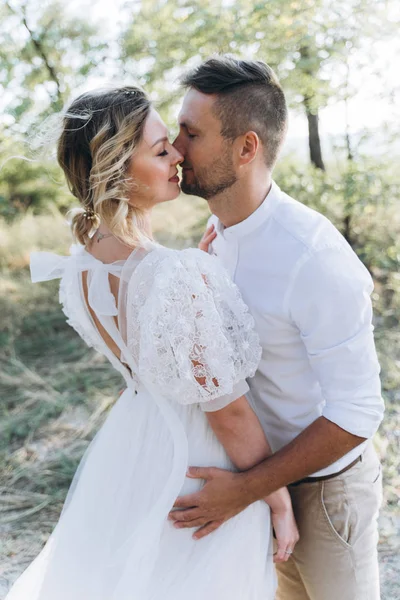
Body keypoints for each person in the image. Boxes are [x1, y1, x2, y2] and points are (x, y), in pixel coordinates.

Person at [5, 86, 298, 600]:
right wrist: (274, 497)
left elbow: (144, 351)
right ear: (116, 168)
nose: (179, 155)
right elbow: (225, 411)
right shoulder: (172, 274)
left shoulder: (83, 265)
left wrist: (193, 272)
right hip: (196, 459)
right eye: (161, 150)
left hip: (134, 448)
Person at [170, 55, 385, 600]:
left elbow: (359, 411)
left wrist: (246, 489)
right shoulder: (217, 234)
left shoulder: (313, 259)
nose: (174, 148)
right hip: (261, 484)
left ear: (246, 148)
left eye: (191, 133)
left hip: (326, 491)